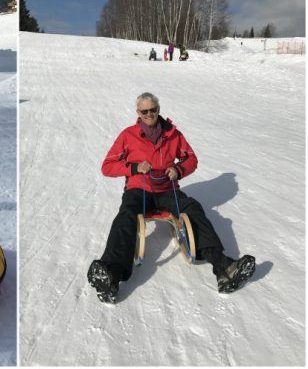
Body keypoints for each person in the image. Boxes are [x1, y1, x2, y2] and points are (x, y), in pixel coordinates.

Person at [87, 92, 255, 304]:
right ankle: (110, 275)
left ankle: (224, 268)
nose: (149, 114)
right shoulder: (128, 135)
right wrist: (134, 167)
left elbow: (191, 158)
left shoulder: (173, 135)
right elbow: (107, 166)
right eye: (144, 111)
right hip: (139, 190)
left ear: (159, 110)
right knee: (126, 216)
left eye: (153, 110)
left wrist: (178, 169)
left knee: (192, 209)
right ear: (138, 113)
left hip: (167, 190)